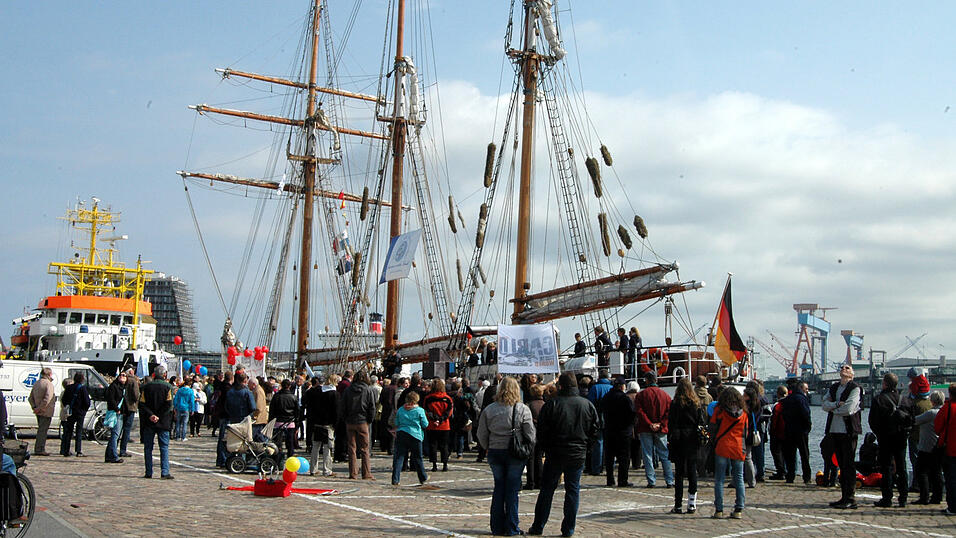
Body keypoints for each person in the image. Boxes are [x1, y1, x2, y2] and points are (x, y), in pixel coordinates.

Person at [528, 373, 598, 537]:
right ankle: (568, 529)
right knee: (572, 490)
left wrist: (547, 448)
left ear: (561, 386)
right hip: (576, 452)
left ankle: (538, 526)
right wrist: (586, 448)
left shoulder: (552, 404)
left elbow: (542, 431)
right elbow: (595, 430)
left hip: (556, 452)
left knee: (547, 491)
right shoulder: (587, 405)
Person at [477, 377, 535, 537]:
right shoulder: (522, 409)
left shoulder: (489, 409)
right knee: (512, 490)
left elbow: (481, 433)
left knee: (499, 488)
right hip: (515, 452)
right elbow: (530, 433)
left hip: (495, 450)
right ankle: (511, 527)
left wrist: (487, 446)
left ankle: (496, 526)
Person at [821, 363, 863, 509]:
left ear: (852, 374)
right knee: (839, 463)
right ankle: (843, 496)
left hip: (848, 431)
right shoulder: (834, 388)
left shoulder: (855, 388)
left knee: (848, 465)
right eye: (842, 368)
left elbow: (850, 408)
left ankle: (850, 498)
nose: (843, 369)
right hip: (834, 430)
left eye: (847, 368)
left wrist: (833, 409)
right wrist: (837, 405)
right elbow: (824, 404)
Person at [870, 372, 909, 508]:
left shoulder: (879, 399)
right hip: (901, 438)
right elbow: (912, 419)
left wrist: (879, 433)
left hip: (885, 438)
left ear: (884, 383)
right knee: (902, 467)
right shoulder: (904, 399)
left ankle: (887, 498)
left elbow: (872, 421)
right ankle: (903, 497)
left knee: (886, 468)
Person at [710, 386, 748, 519]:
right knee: (739, 478)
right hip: (738, 446)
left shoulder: (719, 411)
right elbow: (745, 433)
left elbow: (712, 427)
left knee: (719, 479)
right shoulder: (743, 414)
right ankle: (739, 508)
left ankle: (719, 510)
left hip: (722, 445)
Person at [668, 377, 704, 514]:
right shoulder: (696, 404)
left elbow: (671, 423)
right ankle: (692, 503)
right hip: (692, 439)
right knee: (692, 472)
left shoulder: (675, 403)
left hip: (678, 439)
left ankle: (678, 504)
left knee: (679, 473)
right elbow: (700, 422)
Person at [634, 371, 673, 488]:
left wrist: (649, 423)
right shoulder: (665, 396)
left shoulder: (641, 395)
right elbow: (668, 413)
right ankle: (669, 480)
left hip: (646, 428)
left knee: (647, 454)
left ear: (646, 380)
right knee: (664, 455)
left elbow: (640, 412)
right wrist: (660, 424)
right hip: (661, 429)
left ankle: (651, 480)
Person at [391, 391, 433, 488]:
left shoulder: (401, 410)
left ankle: (395, 479)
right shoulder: (419, 411)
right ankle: (423, 477)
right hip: (415, 435)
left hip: (402, 434)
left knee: (399, 457)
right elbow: (425, 424)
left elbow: (396, 422)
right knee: (418, 457)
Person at [341, 370, 376, 480]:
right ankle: (366, 473)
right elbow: (372, 407)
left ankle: (353, 473)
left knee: (351, 448)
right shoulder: (368, 390)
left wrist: (346, 419)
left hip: (350, 421)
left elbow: (343, 406)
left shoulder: (348, 390)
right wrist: (369, 420)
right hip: (363, 421)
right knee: (365, 448)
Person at [139, 365, 174, 479]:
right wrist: (158, 415)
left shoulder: (146, 387)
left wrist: (151, 415)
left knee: (148, 448)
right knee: (164, 447)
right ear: (164, 374)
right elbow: (169, 405)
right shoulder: (168, 387)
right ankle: (164, 472)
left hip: (149, 421)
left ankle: (148, 471)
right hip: (163, 421)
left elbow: (142, 403)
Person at [601, 380, 635, 487]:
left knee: (609, 458)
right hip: (623, 431)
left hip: (609, 430)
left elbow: (601, 409)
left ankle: (610, 480)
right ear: (621, 387)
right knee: (624, 458)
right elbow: (631, 414)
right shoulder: (625, 398)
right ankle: (622, 480)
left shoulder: (606, 397)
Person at [913, 391, 944, 505]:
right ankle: (938, 496)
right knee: (937, 472)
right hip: (939, 446)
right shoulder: (943, 412)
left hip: (926, 446)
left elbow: (915, 420)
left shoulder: (931, 413)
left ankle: (924, 496)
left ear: (933, 401)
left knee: (922, 471)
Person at [781, 381, 812, 484]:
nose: (807, 391)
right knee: (804, 454)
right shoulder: (802, 399)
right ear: (801, 388)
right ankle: (806, 477)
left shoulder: (787, 400)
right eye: (806, 389)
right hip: (801, 430)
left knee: (790, 455)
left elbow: (784, 414)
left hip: (789, 429)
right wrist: (808, 427)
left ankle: (790, 476)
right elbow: (806, 414)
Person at [933, 383, 956, 515]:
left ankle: (953, 506)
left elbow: (937, 427)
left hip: (950, 448)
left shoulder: (947, 408)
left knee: (951, 479)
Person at [308, 375, 339, 477]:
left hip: (317, 422)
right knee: (327, 448)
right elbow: (336, 411)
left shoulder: (317, 392)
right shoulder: (334, 394)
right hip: (328, 424)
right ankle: (327, 470)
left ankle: (313, 469)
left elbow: (311, 407)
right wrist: (335, 424)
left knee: (315, 447)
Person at [586, 370, 612, 475]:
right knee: (609, 444)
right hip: (610, 419)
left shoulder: (594, 388)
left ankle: (597, 468)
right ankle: (609, 467)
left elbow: (590, 405)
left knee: (598, 444)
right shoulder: (611, 388)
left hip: (598, 419)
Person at [59, 372, 90, 457]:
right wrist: (84, 410)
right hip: (80, 412)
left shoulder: (69, 388)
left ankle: (66, 450)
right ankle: (78, 450)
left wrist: (68, 406)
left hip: (71, 412)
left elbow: (64, 400)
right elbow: (87, 402)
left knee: (68, 431)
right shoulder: (82, 388)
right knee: (79, 431)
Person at [28, 367, 55, 456]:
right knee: (43, 431)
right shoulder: (48, 384)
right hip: (45, 411)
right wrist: (40, 408)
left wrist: (34, 407)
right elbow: (48, 398)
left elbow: (30, 398)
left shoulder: (37, 383)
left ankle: (39, 448)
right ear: (49, 374)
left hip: (38, 410)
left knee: (41, 430)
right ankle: (40, 449)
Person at [524, 383, 545, 489]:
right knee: (539, 457)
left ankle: (531, 482)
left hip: (532, 432)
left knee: (531, 458)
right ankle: (540, 481)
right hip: (542, 433)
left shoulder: (529, 405)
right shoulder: (545, 404)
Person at [270, 379, 299, 457]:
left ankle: (277, 458)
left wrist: (270, 421)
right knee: (290, 442)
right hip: (290, 421)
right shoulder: (293, 397)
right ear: (289, 386)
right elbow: (297, 411)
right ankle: (290, 457)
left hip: (278, 421)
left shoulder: (276, 396)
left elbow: (272, 409)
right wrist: (297, 423)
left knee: (277, 442)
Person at [103, 372, 126, 463]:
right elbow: (111, 399)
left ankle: (109, 455)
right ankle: (113, 455)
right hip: (115, 412)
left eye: (124, 375)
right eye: (121, 375)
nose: (122, 377)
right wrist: (117, 409)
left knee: (115, 434)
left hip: (120, 412)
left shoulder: (123, 387)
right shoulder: (114, 386)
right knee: (115, 435)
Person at [767, 385, 788, 480]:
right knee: (786, 452)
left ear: (778, 394)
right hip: (787, 432)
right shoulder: (790, 404)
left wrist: (772, 430)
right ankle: (788, 470)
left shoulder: (777, 405)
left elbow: (774, 419)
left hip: (777, 432)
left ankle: (780, 471)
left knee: (776, 452)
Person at [120, 367, 140, 458]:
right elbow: (136, 395)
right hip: (130, 407)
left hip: (121, 407)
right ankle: (123, 450)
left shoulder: (120, 380)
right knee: (126, 429)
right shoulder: (133, 381)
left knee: (118, 429)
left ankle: (114, 448)